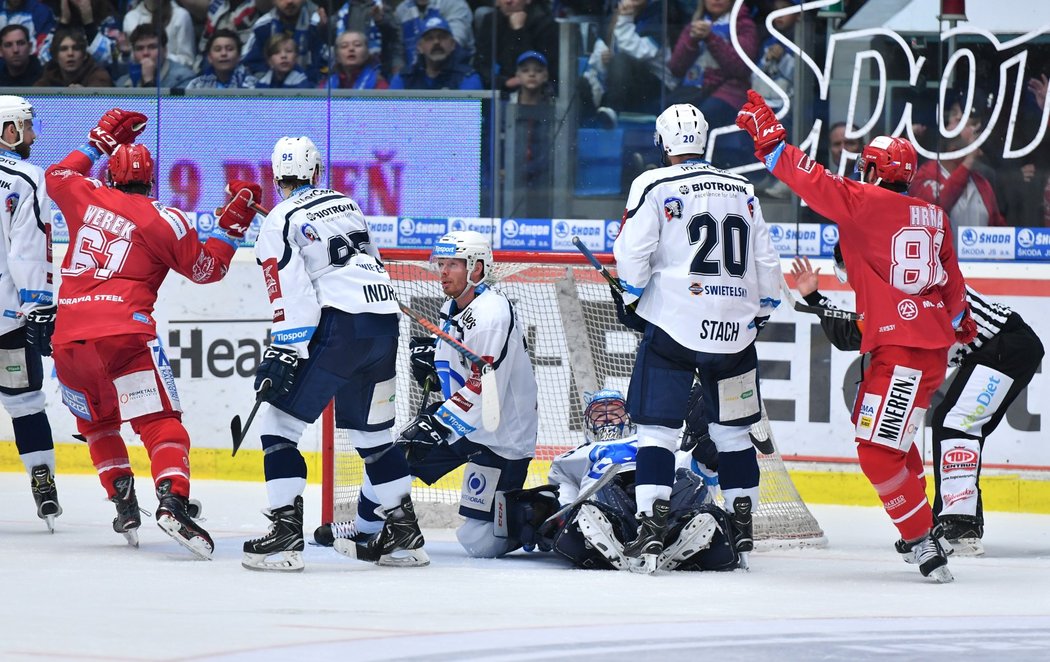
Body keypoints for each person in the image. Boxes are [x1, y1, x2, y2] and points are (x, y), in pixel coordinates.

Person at [737, 89, 974, 583]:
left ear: (873, 171)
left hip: (901, 352)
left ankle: (921, 540)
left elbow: (811, 179)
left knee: (875, 452)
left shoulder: (865, 203)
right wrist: (958, 327)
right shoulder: (935, 216)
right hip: (926, 350)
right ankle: (921, 526)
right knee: (898, 444)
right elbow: (954, 289)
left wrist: (771, 144)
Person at [43, 108, 252, 557]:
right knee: (159, 424)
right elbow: (207, 270)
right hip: (124, 335)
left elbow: (57, 172)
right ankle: (173, 500)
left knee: (98, 425)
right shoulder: (165, 219)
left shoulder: (86, 194)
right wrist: (231, 227)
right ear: (151, 181)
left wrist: (98, 139)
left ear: (111, 176)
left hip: (68, 339)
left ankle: (123, 501)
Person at [242, 136, 426, 572]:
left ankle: (286, 536)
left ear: (275, 176)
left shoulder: (279, 219)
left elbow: (291, 288)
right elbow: (365, 258)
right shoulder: (345, 203)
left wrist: (284, 350)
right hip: (382, 320)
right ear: (317, 171)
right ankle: (405, 536)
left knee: (280, 425)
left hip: (339, 325)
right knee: (373, 435)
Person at [613, 103, 781, 573]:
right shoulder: (744, 188)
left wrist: (631, 298)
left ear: (663, 143)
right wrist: (759, 315)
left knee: (657, 433)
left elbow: (632, 253)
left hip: (674, 330)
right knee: (732, 433)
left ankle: (650, 528)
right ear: (704, 139)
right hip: (735, 334)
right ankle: (741, 524)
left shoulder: (653, 183)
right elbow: (767, 264)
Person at [789, 250, 1044, 557]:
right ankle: (942, 520)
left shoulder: (901, 286)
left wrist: (816, 298)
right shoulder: (890, 284)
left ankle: (960, 525)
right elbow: (852, 334)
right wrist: (815, 297)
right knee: (949, 421)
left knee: (955, 423)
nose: (852, 281)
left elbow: (856, 333)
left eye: (849, 271)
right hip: (992, 351)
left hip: (1007, 346)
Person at [372, 230, 540, 558]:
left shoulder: (491, 316)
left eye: (453, 264)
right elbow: (460, 358)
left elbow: (485, 384)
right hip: (467, 423)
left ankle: (542, 515)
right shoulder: (454, 304)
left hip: (499, 434)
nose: (443, 271)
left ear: (477, 269)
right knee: (396, 458)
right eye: (441, 263)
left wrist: (441, 421)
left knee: (481, 542)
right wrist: (435, 363)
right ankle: (366, 527)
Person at [543, 389, 738, 572]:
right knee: (605, 485)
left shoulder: (655, 440)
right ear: (587, 423)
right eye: (598, 414)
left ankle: (675, 533)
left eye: (615, 411)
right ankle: (625, 538)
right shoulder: (576, 455)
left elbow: (691, 467)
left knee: (690, 480)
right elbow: (565, 493)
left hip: (661, 500)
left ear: (629, 418)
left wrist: (707, 455)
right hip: (610, 501)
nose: (607, 417)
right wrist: (561, 516)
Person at [0, 95, 60, 532]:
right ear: (8, 131)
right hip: (7, 319)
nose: (32, 135)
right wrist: (39, 304)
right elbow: (28, 249)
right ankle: (42, 479)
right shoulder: (24, 178)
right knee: (23, 402)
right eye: (26, 126)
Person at [667, 0, 758, 166]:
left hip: (730, 94)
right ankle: (665, 166)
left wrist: (711, 38)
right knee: (671, 115)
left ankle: (695, 170)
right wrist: (691, 41)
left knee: (702, 118)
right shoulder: (695, 24)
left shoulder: (744, 25)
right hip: (693, 90)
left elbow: (741, 67)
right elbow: (675, 68)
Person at [911, 106, 1006, 228]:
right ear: (953, 149)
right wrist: (970, 159)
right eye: (968, 127)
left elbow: (998, 226)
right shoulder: (925, 175)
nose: (975, 132)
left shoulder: (982, 183)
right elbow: (938, 206)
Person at [474, 0, 558, 93]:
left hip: (537, 91)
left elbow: (539, 68)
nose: (508, 1)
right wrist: (503, 82)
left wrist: (519, 32)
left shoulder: (545, 24)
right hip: (500, 89)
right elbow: (480, 63)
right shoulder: (491, 21)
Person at [241, 0, 328, 84]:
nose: (289, 1)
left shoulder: (317, 24)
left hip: (308, 93)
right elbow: (249, 63)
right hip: (270, 93)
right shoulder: (263, 26)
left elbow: (327, 64)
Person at [388, 15, 481, 90]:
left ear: (453, 44)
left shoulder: (467, 77)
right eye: (429, 38)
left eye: (442, 37)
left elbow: (470, 112)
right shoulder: (404, 77)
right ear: (419, 47)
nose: (436, 42)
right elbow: (391, 111)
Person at [333, 0, 403, 79]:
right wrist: (322, 27)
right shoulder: (343, 11)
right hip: (347, 73)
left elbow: (395, 38)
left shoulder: (384, 9)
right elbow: (331, 38)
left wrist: (380, 20)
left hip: (380, 71)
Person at [393, 0, 474, 66]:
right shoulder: (401, 10)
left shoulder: (455, 3)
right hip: (413, 77)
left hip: (455, 72)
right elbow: (397, 51)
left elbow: (455, 43)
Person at [113, 24, 195, 88]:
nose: (145, 53)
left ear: (165, 50)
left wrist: (148, 81)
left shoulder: (184, 78)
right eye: (139, 48)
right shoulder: (122, 83)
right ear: (133, 53)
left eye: (152, 47)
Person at [121, 0, 195, 68]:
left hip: (173, 75)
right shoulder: (130, 18)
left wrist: (160, 56)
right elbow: (129, 60)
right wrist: (126, 55)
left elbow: (188, 61)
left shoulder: (181, 15)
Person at [33, 26, 113, 86]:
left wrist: (85, 95)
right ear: (55, 56)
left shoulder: (99, 76)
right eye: (64, 49)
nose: (70, 53)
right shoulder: (48, 77)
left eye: (76, 48)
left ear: (84, 55)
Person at [184, 28, 257, 89]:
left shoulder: (251, 84)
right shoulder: (197, 85)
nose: (224, 53)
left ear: (239, 56)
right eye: (218, 49)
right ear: (209, 57)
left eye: (229, 49)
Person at [318, 29, 389, 90]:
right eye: (344, 46)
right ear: (337, 56)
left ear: (367, 53)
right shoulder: (325, 85)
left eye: (357, 45)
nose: (351, 49)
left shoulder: (379, 84)